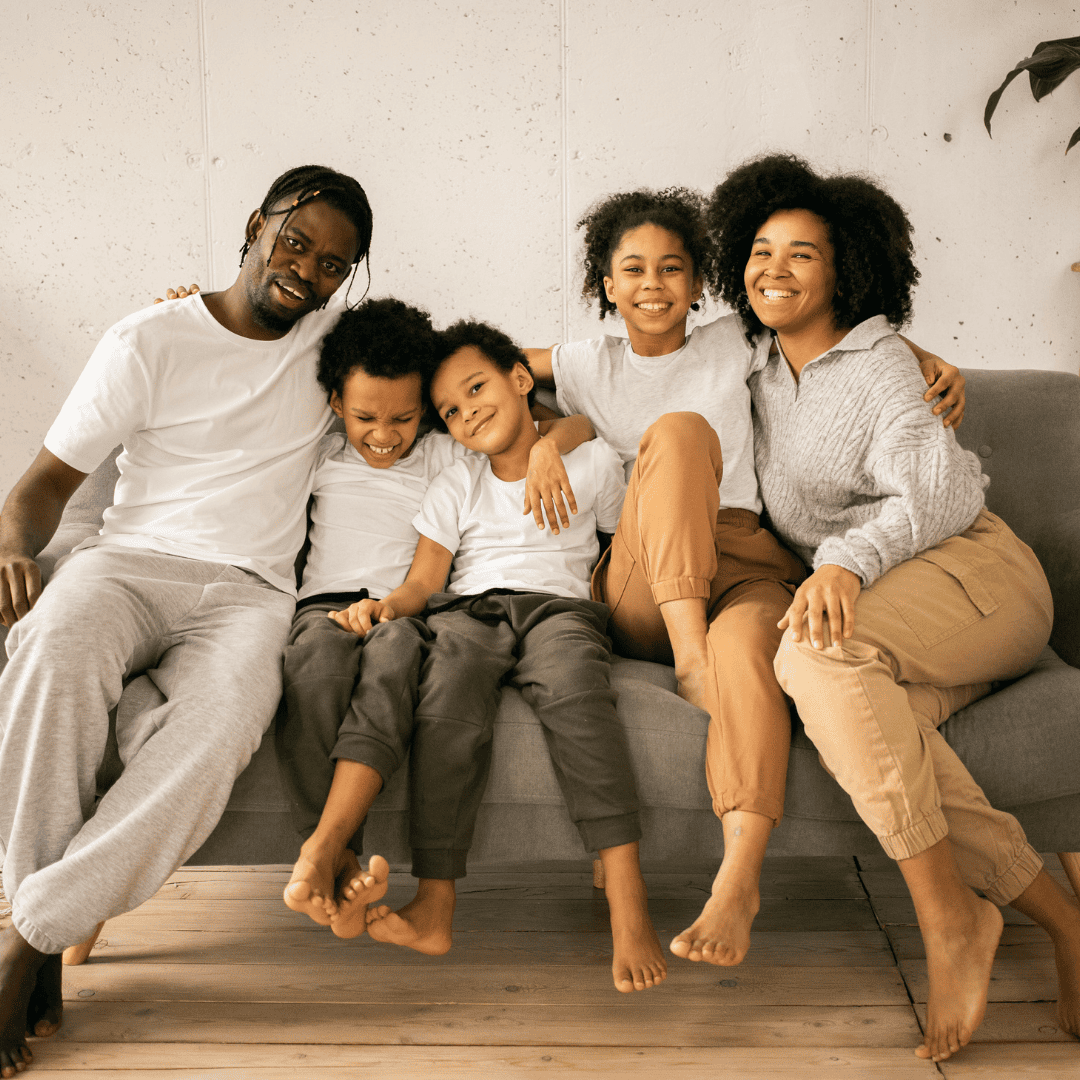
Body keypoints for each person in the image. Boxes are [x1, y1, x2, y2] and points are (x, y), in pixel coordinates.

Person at [522, 187, 966, 971]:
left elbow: (835, 338)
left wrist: (921, 356)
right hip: (644, 576)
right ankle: (690, 657)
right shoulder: (584, 364)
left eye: (674, 269)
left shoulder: (738, 340)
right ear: (606, 286)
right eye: (633, 270)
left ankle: (741, 874)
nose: (654, 284)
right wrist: (545, 439)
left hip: (748, 564)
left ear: (701, 285)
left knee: (760, 645)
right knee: (682, 433)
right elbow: (469, 369)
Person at [706, 152, 1080, 1063]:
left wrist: (844, 562)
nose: (774, 270)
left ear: (847, 271)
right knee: (876, 726)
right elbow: (620, 354)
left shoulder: (878, 368)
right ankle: (1064, 923)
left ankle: (948, 918)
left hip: (977, 576)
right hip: (903, 613)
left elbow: (942, 495)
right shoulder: (752, 369)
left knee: (813, 655)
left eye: (803, 255)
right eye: (761, 250)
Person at [0, 164, 372, 1078]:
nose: (306, 271)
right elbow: (47, 483)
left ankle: (27, 939)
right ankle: (34, 932)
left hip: (250, 593)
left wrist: (559, 426)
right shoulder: (148, 337)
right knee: (50, 646)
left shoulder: (336, 346)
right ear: (255, 225)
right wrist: (12, 546)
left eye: (333, 264)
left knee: (224, 723)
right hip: (128, 565)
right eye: (294, 242)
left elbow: (478, 372)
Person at [300, 321, 667, 994]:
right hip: (470, 612)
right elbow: (424, 581)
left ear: (521, 380)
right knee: (446, 704)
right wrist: (385, 609)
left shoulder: (591, 462)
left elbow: (619, 552)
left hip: (561, 609)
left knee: (580, 701)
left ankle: (627, 898)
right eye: (452, 410)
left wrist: (560, 441)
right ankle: (435, 905)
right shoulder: (455, 482)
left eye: (478, 389)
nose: (468, 412)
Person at [274, 297, 597, 929]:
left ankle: (329, 862)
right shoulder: (317, 456)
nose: (384, 434)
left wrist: (547, 450)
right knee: (312, 669)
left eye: (405, 416)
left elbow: (574, 420)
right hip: (322, 607)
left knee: (395, 660)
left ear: (427, 411)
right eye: (366, 416)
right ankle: (336, 862)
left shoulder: (445, 455)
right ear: (336, 405)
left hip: (406, 609)